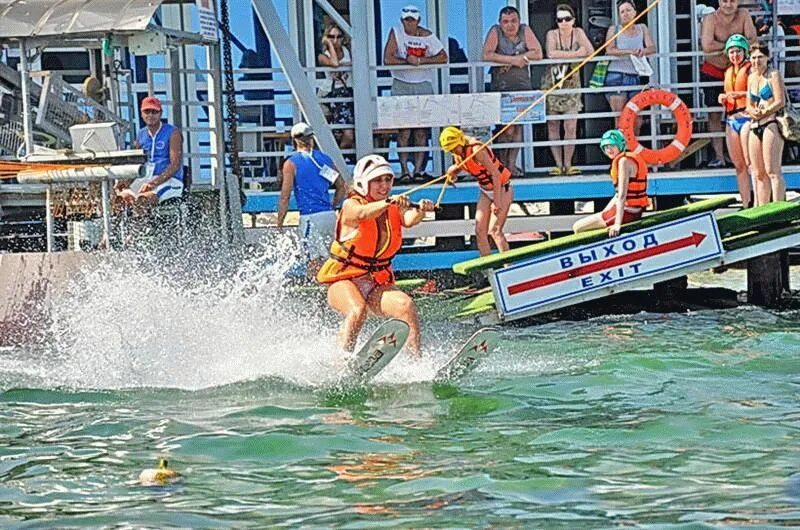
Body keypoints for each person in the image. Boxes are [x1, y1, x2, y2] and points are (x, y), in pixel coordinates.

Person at [316, 155, 435, 356]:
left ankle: (415, 361)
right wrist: (389, 202)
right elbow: (362, 214)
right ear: (363, 183)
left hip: (376, 283)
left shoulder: (391, 206)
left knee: (406, 306)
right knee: (357, 310)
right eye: (378, 180)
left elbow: (409, 219)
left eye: (388, 180)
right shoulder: (351, 205)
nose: (384, 185)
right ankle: (341, 361)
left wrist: (422, 211)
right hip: (343, 280)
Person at [382, 5, 448, 183]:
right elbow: (387, 58)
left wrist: (421, 61)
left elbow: (443, 56)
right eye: (406, 20)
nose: (408, 23)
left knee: (421, 130)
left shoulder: (427, 35)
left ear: (418, 20)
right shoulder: (396, 32)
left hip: (423, 85)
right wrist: (407, 62)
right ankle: (404, 171)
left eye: (412, 20)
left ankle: (419, 170)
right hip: (401, 84)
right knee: (403, 130)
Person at [277, 123, 346, 276]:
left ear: (295, 140)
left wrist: (280, 222)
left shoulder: (291, 163)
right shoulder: (325, 159)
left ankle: (319, 293)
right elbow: (341, 186)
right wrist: (333, 204)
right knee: (332, 258)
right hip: (328, 216)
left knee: (313, 260)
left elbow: (285, 196)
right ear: (312, 138)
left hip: (309, 217)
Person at [482, 6, 543, 177]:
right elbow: (486, 55)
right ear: (500, 23)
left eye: (513, 21)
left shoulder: (525, 30)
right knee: (506, 129)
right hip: (501, 86)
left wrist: (520, 58)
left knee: (518, 128)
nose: (510, 25)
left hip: (522, 85)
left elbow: (537, 53)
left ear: (519, 21)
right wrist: (513, 60)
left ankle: (511, 164)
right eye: (506, 21)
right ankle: (500, 165)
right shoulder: (495, 31)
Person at [701, 0, 757, 168]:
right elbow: (706, 45)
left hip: (738, 71)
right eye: (725, 1)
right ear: (719, 1)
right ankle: (718, 155)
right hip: (714, 70)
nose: (728, 5)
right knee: (714, 114)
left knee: (742, 111)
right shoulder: (710, 19)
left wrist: (727, 48)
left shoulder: (744, 15)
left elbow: (753, 40)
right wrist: (735, 45)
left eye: (732, 1)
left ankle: (742, 155)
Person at [439, 126, 513, 256]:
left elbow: (495, 175)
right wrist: (452, 172)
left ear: (460, 142)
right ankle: (488, 270)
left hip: (502, 188)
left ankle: (509, 268)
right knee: (480, 231)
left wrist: (497, 201)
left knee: (495, 230)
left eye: (454, 148)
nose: (453, 152)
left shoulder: (476, 150)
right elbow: (461, 165)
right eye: (450, 150)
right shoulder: (459, 154)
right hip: (485, 190)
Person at [541, 4, 594, 176]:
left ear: (573, 20)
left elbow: (591, 52)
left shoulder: (578, 33)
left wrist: (578, 53)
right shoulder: (552, 34)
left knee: (571, 126)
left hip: (572, 84)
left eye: (567, 19)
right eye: (560, 19)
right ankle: (558, 164)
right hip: (553, 84)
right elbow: (551, 53)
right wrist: (577, 53)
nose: (564, 22)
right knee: (553, 124)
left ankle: (568, 163)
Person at [573, 129, 648, 237]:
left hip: (628, 212)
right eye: (606, 147)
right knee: (595, 219)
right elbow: (617, 195)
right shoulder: (626, 158)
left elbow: (622, 195)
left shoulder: (624, 162)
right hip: (631, 210)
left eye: (612, 145)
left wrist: (617, 224)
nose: (608, 149)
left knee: (578, 227)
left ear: (620, 145)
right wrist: (604, 212)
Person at [117, 96, 184, 208]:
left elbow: (175, 165)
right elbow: (136, 162)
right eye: (147, 111)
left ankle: (146, 225)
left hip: (169, 181)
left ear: (160, 113)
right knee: (121, 199)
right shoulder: (141, 134)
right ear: (142, 114)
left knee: (142, 200)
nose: (150, 115)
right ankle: (120, 225)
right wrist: (126, 181)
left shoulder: (173, 132)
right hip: (146, 177)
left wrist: (153, 183)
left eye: (154, 112)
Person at [604, 0, 656, 133]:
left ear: (635, 12)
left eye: (628, 10)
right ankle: (620, 152)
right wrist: (630, 52)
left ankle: (634, 151)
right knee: (620, 118)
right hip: (617, 75)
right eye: (622, 12)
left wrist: (643, 51)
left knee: (637, 118)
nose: (625, 14)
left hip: (637, 76)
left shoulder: (642, 28)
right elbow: (609, 49)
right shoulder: (614, 29)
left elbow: (652, 48)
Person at [747, 44, 786, 205]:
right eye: (754, 57)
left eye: (760, 57)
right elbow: (749, 103)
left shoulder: (773, 75)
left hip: (771, 123)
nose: (757, 61)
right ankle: (763, 209)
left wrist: (765, 111)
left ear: (767, 58)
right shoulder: (751, 77)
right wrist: (752, 111)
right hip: (755, 124)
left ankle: (779, 208)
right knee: (758, 173)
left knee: (773, 171)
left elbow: (779, 101)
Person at [719, 34, 753, 208]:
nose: (735, 55)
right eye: (731, 52)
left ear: (744, 51)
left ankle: (759, 200)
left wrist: (740, 95)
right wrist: (724, 97)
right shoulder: (728, 72)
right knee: (739, 165)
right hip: (731, 119)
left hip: (747, 117)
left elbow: (758, 93)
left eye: (738, 51)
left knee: (750, 162)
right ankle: (746, 201)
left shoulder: (750, 69)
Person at [317, 23, 355, 153]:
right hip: (328, 95)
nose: (335, 40)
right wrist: (329, 45)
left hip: (347, 94)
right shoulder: (322, 56)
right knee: (326, 135)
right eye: (331, 36)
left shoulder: (349, 51)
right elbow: (334, 63)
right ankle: (335, 161)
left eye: (338, 37)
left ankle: (338, 161)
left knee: (349, 135)